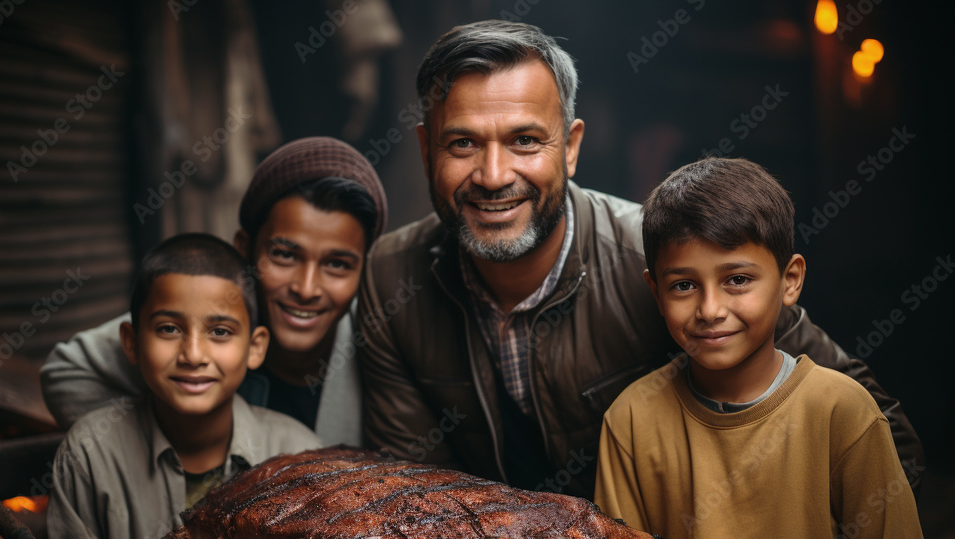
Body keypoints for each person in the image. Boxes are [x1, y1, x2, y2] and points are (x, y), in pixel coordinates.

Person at [357, 19, 924, 498]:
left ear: (572, 148)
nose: (494, 175)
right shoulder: (391, 277)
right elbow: (410, 495)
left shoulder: (665, 265)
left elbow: (886, 441)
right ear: (427, 150)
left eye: (526, 141)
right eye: (463, 144)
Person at [594, 157, 933, 539]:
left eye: (737, 280)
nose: (710, 309)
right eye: (684, 285)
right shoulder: (631, 420)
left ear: (790, 280)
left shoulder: (840, 409)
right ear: (655, 292)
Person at [40, 137, 387, 446]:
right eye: (283, 255)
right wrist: (166, 445)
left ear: (364, 271)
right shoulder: (204, 319)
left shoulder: (383, 349)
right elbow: (67, 373)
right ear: (244, 249)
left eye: (338, 264)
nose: (306, 288)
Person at [47, 234, 325, 539]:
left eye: (220, 331)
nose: (193, 355)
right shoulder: (90, 453)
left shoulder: (299, 453)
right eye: (168, 328)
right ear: (131, 343)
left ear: (255, 348)